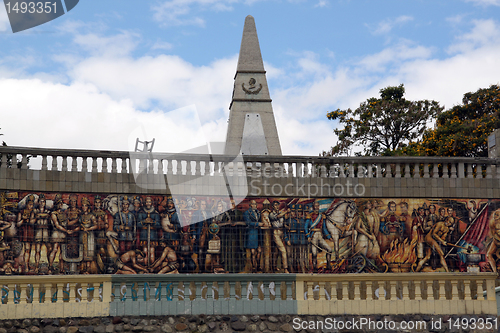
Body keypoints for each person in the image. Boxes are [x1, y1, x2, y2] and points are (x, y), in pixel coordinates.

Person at [305, 201, 332, 272]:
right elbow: (305, 227)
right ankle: (315, 268)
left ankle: (328, 266)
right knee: (314, 253)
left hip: (320, 235)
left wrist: (329, 237)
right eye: (315, 206)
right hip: (313, 235)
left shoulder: (321, 216)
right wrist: (308, 236)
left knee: (329, 250)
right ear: (313, 207)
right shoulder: (310, 216)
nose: (316, 207)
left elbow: (324, 228)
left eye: (317, 206)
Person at [137, 196, 161, 267]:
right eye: (147, 202)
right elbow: (138, 224)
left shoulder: (155, 213)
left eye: (149, 202)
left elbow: (158, 224)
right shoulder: (141, 213)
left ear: (151, 203)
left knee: (152, 251)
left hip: (153, 234)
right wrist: (144, 221)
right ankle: (145, 266)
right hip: (144, 234)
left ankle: (151, 266)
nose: (148, 203)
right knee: (145, 251)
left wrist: (152, 222)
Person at [17, 195, 35, 271]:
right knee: (26, 249)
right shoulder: (21, 212)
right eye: (30, 204)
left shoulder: (33, 213)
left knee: (29, 249)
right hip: (24, 232)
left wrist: (32, 219)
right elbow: (18, 224)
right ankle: (26, 267)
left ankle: (26, 265)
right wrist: (23, 220)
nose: (31, 206)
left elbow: (32, 222)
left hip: (30, 232)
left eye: (32, 205)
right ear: (27, 204)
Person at [243, 200, 262, 272]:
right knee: (253, 252)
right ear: (250, 205)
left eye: (255, 204)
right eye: (253, 204)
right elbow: (248, 223)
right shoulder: (246, 213)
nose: (255, 205)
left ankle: (258, 265)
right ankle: (254, 267)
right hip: (251, 233)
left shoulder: (258, 212)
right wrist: (258, 224)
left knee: (259, 251)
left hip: (258, 233)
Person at [80, 197, 97, 273]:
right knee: (83, 252)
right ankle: (83, 269)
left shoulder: (91, 216)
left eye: (85, 205)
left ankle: (88, 270)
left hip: (89, 235)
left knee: (89, 253)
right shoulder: (81, 216)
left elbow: (96, 226)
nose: (84, 207)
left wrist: (88, 229)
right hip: (82, 235)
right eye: (83, 205)